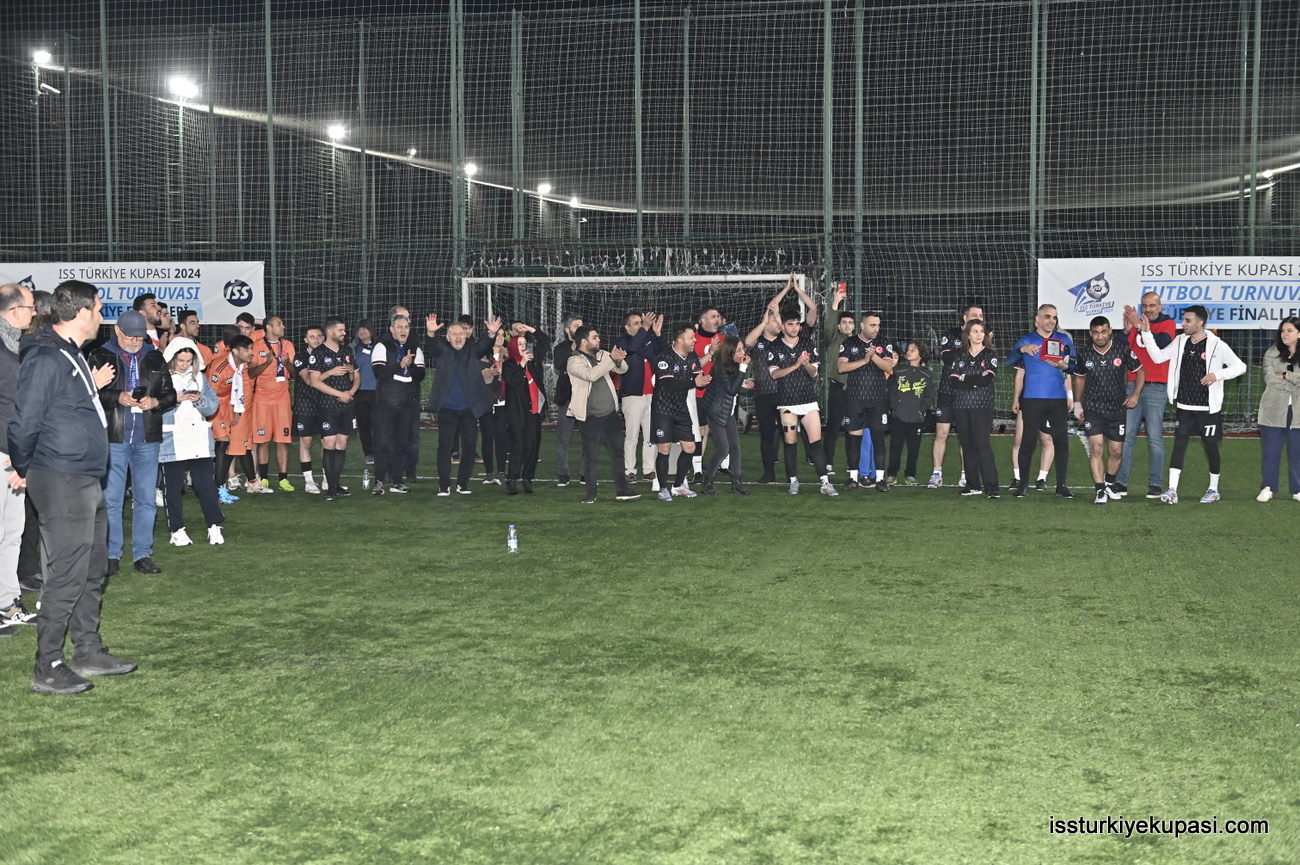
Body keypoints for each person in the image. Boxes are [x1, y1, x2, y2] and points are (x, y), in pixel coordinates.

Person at [10, 280, 137, 694]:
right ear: (81, 313)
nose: (101, 316)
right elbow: (24, 419)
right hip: (62, 477)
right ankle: (47, 665)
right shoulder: (47, 356)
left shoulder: (70, 352)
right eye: (98, 309)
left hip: (84, 476)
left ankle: (87, 650)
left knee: (92, 568)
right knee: (66, 573)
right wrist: (24, 464)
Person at [90, 309, 176, 576]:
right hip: (113, 438)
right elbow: (88, 394)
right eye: (130, 336)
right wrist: (117, 397)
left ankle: (143, 554)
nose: (135, 341)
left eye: (139, 337)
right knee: (111, 500)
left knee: (146, 500)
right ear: (117, 330)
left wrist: (156, 402)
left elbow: (170, 394)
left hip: (147, 439)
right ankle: (111, 554)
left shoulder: (155, 356)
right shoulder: (100, 355)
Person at [1138, 304, 1246, 504]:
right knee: (1179, 445)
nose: (1183, 324)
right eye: (1183, 320)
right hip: (1185, 406)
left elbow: (1241, 366)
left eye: (1188, 320)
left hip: (1208, 408)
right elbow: (1158, 357)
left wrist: (1217, 375)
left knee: (1211, 447)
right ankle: (1172, 490)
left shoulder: (1217, 345)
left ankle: (1213, 489)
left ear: (1200, 322)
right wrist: (1146, 333)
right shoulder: (1180, 341)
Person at [424, 313, 502, 495]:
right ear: (448, 337)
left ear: (466, 336)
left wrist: (491, 334)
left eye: (461, 333)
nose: (458, 336)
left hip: (469, 409)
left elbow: (484, 345)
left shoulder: (472, 349)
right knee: (445, 447)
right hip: (447, 409)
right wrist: (430, 332)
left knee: (469, 447)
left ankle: (463, 483)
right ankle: (444, 485)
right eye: (454, 333)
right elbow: (432, 345)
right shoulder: (442, 350)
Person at [1071, 316, 1144, 505]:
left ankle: (1109, 484)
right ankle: (1100, 490)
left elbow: (1140, 371)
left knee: (1116, 451)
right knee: (1096, 448)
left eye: (1103, 332)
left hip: (1117, 409)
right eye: (1096, 333)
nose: (1100, 336)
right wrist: (1077, 404)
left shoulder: (1121, 349)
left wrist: (1135, 395)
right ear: (1090, 333)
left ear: (1110, 331)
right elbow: (1080, 379)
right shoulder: (1085, 354)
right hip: (1093, 408)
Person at [159, 337, 225, 545]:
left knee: (206, 486)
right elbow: (154, 408)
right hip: (172, 441)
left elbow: (212, 407)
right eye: (180, 360)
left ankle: (214, 526)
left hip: (199, 441)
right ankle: (176, 530)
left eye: (188, 360)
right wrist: (174, 400)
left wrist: (199, 400)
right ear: (172, 358)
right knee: (173, 488)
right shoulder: (161, 379)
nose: (184, 364)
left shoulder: (200, 378)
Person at [1008, 304, 1076, 498]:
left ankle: (1061, 486)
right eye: (1047, 317)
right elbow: (1009, 361)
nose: (1051, 321)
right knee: (1028, 441)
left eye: (1054, 317)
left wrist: (1064, 365)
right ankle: (1023, 485)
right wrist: (1022, 349)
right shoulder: (1027, 339)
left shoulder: (1064, 339)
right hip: (1032, 399)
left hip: (1058, 399)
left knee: (1061, 442)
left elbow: (1075, 364)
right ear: (1037, 320)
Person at [567, 325, 641, 504]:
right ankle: (590, 494)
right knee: (591, 457)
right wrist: (611, 360)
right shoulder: (574, 361)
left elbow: (623, 369)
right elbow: (591, 375)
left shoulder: (602, 354)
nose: (599, 340)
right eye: (594, 337)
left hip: (610, 415)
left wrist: (618, 360)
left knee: (618, 453)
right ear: (584, 341)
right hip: (590, 417)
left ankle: (623, 490)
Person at [0, 284, 37, 631]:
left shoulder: (18, 346)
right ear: (14, 312)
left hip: (14, 453)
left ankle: (8, 603)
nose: (35, 312)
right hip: (2, 452)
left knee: (13, 532)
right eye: (30, 307)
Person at [768, 311, 836, 496]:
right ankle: (793, 481)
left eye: (797, 324)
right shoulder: (775, 346)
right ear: (782, 326)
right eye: (790, 324)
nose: (794, 327)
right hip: (787, 402)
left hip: (808, 401)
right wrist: (796, 365)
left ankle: (825, 482)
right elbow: (774, 374)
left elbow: (814, 373)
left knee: (816, 442)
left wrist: (805, 364)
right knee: (790, 441)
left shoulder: (807, 343)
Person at [1119, 292, 1176, 498]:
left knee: (1155, 437)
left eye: (1152, 305)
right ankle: (1121, 482)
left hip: (1156, 387)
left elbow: (1161, 343)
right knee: (1127, 436)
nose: (1148, 309)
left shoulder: (1168, 324)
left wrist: (1138, 326)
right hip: (1133, 385)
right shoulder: (1136, 326)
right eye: (1145, 305)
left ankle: (1155, 484)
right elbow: (1119, 350)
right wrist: (1126, 331)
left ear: (1160, 307)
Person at [837, 311, 896, 492]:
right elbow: (841, 367)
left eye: (878, 325)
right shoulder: (849, 343)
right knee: (854, 439)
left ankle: (880, 479)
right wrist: (864, 360)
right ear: (862, 325)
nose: (876, 329)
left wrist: (874, 356)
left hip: (877, 399)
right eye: (872, 325)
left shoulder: (884, 342)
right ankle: (853, 478)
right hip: (855, 398)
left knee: (878, 439)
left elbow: (888, 367)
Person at [652, 324, 711, 501]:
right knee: (664, 448)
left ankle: (678, 486)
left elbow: (697, 377)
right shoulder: (665, 357)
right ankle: (663, 488)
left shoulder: (692, 357)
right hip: (663, 409)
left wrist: (703, 380)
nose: (695, 340)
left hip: (681, 409)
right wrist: (695, 383)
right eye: (691, 337)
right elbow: (669, 384)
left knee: (690, 447)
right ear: (680, 340)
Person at [303, 318, 359, 501]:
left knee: (342, 443)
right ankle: (330, 488)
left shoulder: (347, 350)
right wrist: (339, 393)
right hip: (327, 405)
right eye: (341, 330)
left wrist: (350, 391)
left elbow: (357, 376)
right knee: (329, 443)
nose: (344, 333)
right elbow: (314, 382)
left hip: (346, 404)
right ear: (330, 332)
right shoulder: (318, 353)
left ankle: (336, 484)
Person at [369, 314, 426, 495]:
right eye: (399, 326)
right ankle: (379, 480)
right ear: (391, 329)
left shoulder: (415, 348)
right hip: (385, 404)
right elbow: (379, 372)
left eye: (406, 327)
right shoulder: (381, 346)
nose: (403, 330)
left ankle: (397, 481)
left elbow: (421, 375)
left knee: (402, 444)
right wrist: (400, 364)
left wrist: (411, 365)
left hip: (406, 405)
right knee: (383, 444)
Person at [929, 302, 983, 488]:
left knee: (966, 436)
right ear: (965, 318)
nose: (978, 318)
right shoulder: (951, 334)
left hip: (968, 394)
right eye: (974, 315)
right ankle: (936, 473)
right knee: (941, 433)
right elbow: (948, 359)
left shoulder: (982, 337)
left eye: (980, 316)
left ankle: (965, 474)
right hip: (948, 391)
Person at [948, 320, 1000, 498]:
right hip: (961, 406)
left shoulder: (990, 355)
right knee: (967, 445)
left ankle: (992, 488)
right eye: (975, 331)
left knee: (982, 444)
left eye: (981, 331)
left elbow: (986, 381)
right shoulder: (960, 355)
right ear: (968, 334)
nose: (979, 334)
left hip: (981, 406)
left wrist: (965, 378)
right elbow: (953, 381)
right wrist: (974, 379)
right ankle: (973, 485)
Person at [245, 315, 296, 493]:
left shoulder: (288, 345)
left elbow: (294, 373)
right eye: (279, 324)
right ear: (268, 327)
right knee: (263, 441)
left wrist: (287, 364)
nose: (283, 327)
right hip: (262, 399)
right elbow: (250, 373)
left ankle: (283, 479)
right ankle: (264, 478)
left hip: (282, 399)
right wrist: (266, 363)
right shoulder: (257, 345)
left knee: (283, 440)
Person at [699, 334, 754, 495]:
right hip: (716, 411)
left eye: (742, 349)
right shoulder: (721, 366)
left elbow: (729, 384)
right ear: (730, 354)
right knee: (723, 449)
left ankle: (737, 482)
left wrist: (743, 382)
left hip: (726, 410)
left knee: (735, 447)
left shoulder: (730, 365)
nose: (743, 352)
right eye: (739, 350)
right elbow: (731, 390)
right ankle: (707, 482)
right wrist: (743, 369)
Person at [615, 311, 665, 483]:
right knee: (632, 435)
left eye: (641, 322)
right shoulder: (622, 341)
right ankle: (629, 470)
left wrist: (658, 334)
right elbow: (631, 349)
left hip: (652, 394)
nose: (641, 325)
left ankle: (649, 470)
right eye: (637, 323)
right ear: (627, 327)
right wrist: (645, 328)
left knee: (651, 435)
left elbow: (663, 353)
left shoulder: (647, 339)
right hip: (633, 395)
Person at [1256, 316, 1300, 502]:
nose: (1284, 334)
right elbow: (1269, 378)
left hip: (1297, 411)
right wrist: (1293, 380)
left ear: (1299, 333)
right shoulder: (1271, 353)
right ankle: (1268, 487)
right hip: (1273, 409)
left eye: (1289, 330)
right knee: (1271, 452)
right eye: (1282, 330)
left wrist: (1286, 375)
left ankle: (1297, 490)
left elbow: (1279, 377)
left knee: (1297, 452)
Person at [209, 335, 257, 502]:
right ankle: (217, 488)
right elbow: (211, 394)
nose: (251, 352)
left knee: (229, 444)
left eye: (251, 348)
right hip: (214, 404)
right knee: (223, 441)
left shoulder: (241, 365)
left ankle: (220, 487)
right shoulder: (220, 367)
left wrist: (236, 407)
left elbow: (237, 388)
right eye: (247, 349)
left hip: (229, 404)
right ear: (235, 351)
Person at [502, 330, 550, 494]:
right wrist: (521, 364)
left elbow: (545, 341)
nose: (523, 346)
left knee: (532, 446)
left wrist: (531, 330)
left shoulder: (533, 361)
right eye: (519, 344)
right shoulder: (509, 364)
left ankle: (528, 478)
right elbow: (513, 382)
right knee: (518, 446)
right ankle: (512, 479)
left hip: (533, 411)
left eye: (524, 343)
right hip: (516, 412)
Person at [886, 341, 935, 485]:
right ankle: (892, 474)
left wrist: (922, 409)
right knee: (895, 446)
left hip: (916, 418)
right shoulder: (899, 371)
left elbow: (930, 395)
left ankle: (910, 474)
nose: (909, 352)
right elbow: (893, 392)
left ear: (921, 354)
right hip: (899, 416)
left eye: (913, 350)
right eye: (908, 349)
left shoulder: (927, 374)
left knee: (914, 448)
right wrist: (895, 407)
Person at [293, 325, 326, 493]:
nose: (317, 339)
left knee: (327, 442)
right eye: (312, 337)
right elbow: (309, 380)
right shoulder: (300, 357)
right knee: (306, 442)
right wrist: (331, 373)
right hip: (305, 404)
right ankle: (309, 481)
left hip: (325, 403)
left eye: (319, 336)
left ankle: (327, 479)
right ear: (305, 340)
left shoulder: (328, 355)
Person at [552, 315, 583, 486]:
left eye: (581, 325)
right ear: (567, 329)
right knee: (564, 439)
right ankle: (563, 473)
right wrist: (573, 349)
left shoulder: (588, 347)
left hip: (584, 398)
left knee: (587, 438)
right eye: (576, 325)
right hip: (566, 399)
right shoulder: (561, 348)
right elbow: (559, 365)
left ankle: (585, 473)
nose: (580, 328)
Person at [824, 296, 854, 477]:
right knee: (833, 427)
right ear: (839, 326)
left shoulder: (859, 342)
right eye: (844, 322)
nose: (847, 325)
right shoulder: (835, 341)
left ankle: (853, 464)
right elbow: (828, 329)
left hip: (856, 390)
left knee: (853, 428)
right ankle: (828, 462)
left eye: (850, 322)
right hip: (837, 388)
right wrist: (835, 303)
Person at [351, 319, 378, 466]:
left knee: (379, 424)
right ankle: (369, 453)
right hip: (360, 392)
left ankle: (381, 450)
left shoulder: (380, 346)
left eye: (365, 328)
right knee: (363, 425)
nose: (362, 331)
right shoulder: (353, 349)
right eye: (359, 329)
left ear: (371, 330)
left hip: (378, 391)